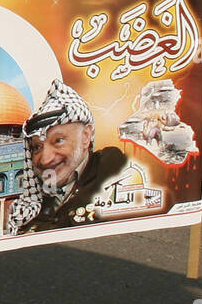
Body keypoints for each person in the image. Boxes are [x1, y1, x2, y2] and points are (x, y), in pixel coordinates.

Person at [8, 80, 128, 233]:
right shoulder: (33, 204)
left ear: (85, 136)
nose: (46, 160)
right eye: (37, 147)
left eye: (58, 141)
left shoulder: (110, 168)